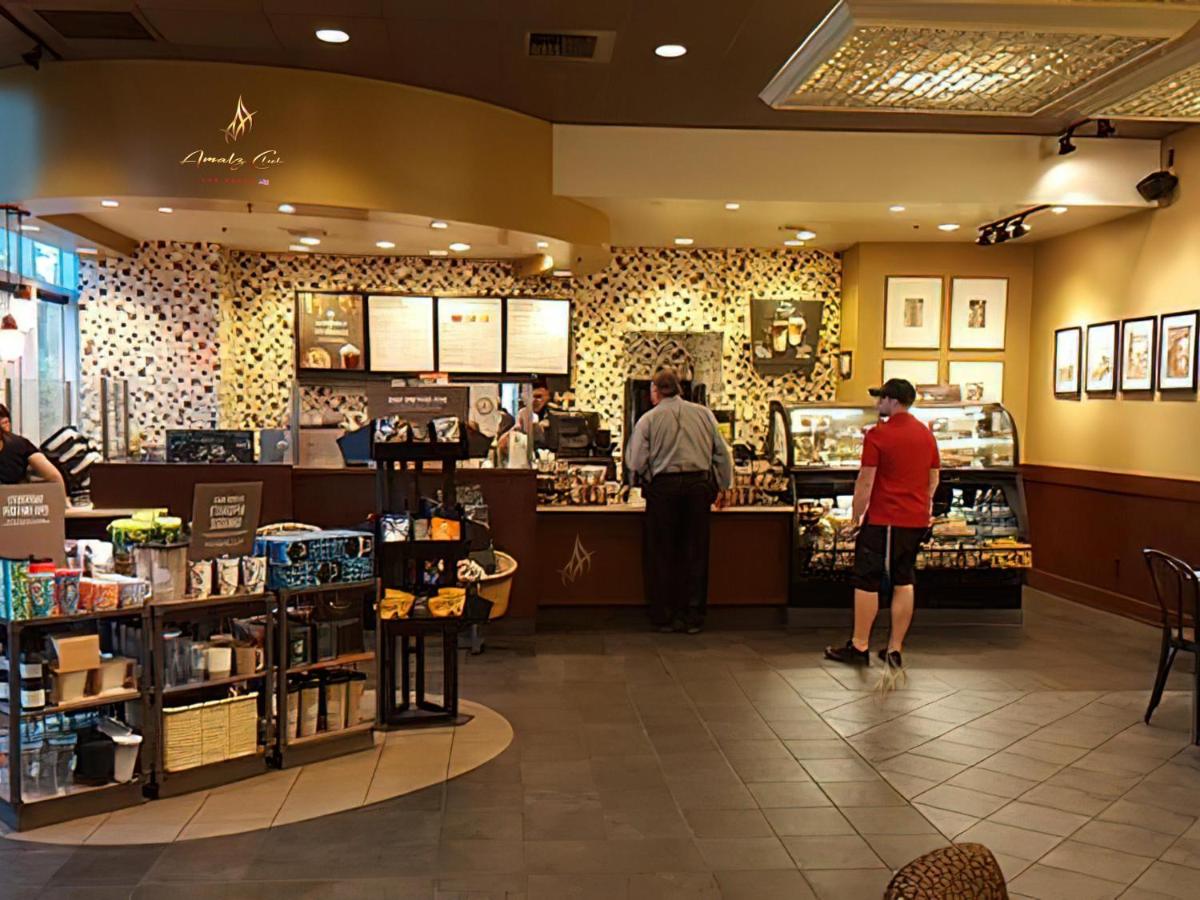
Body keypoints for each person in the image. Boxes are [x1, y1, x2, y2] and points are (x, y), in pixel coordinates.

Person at [824, 378, 939, 673]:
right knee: (904, 579)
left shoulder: (879, 434)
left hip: (885, 518)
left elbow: (866, 480)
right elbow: (933, 478)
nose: (878, 404)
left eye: (882, 399)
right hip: (915, 519)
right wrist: (921, 504)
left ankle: (860, 645)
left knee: (867, 579)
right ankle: (895, 649)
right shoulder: (926, 435)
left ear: (893, 400)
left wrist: (856, 517)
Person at [626, 368, 733, 634]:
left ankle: (664, 617)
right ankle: (693, 616)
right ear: (680, 389)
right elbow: (722, 454)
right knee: (695, 552)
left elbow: (635, 461)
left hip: (664, 490)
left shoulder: (648, 420)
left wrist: (647, 471)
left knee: (662, 553)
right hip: (698, 488)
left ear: (654, 391)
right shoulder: (704, 414)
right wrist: (724, 486)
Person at [0, 404, 66, 489]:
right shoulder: (19, 444)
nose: (6, 426)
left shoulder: (19, 445)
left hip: (15, 495)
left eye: (6, 422)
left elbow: (54, 477)